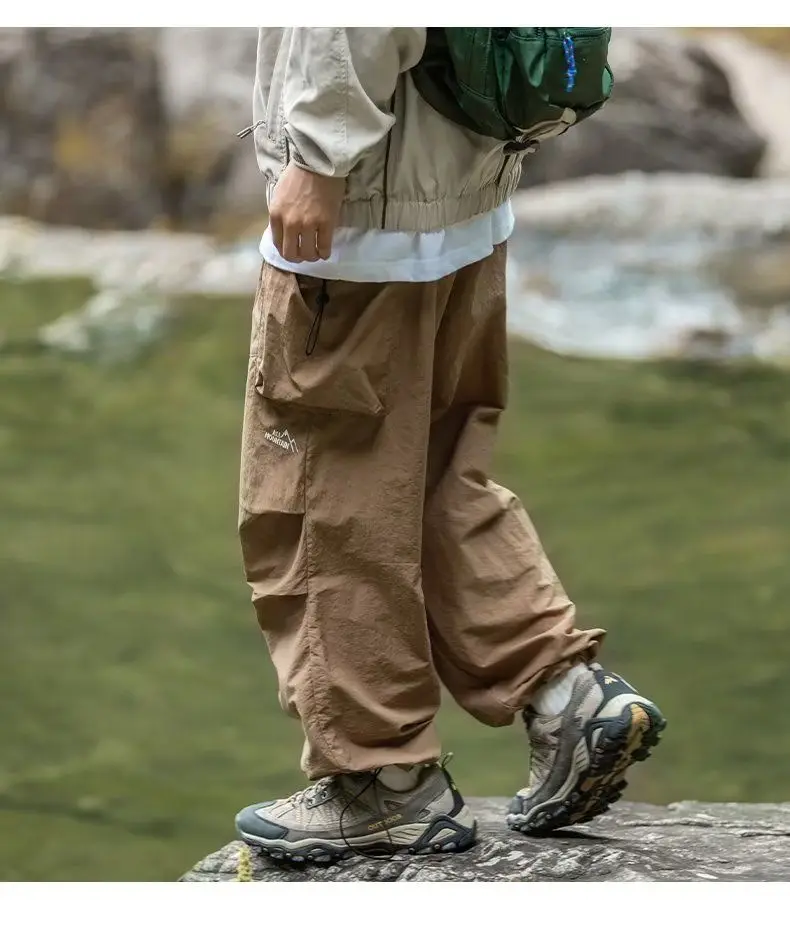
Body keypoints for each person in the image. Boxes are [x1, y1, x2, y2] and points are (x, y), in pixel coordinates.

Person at [234, 27, 665, 863]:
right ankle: (564, 696)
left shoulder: (339, 167)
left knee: (322, 502)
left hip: (363, 214)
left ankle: (382, 781)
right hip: (467, 194)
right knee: (437, 472)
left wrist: (318, 158)